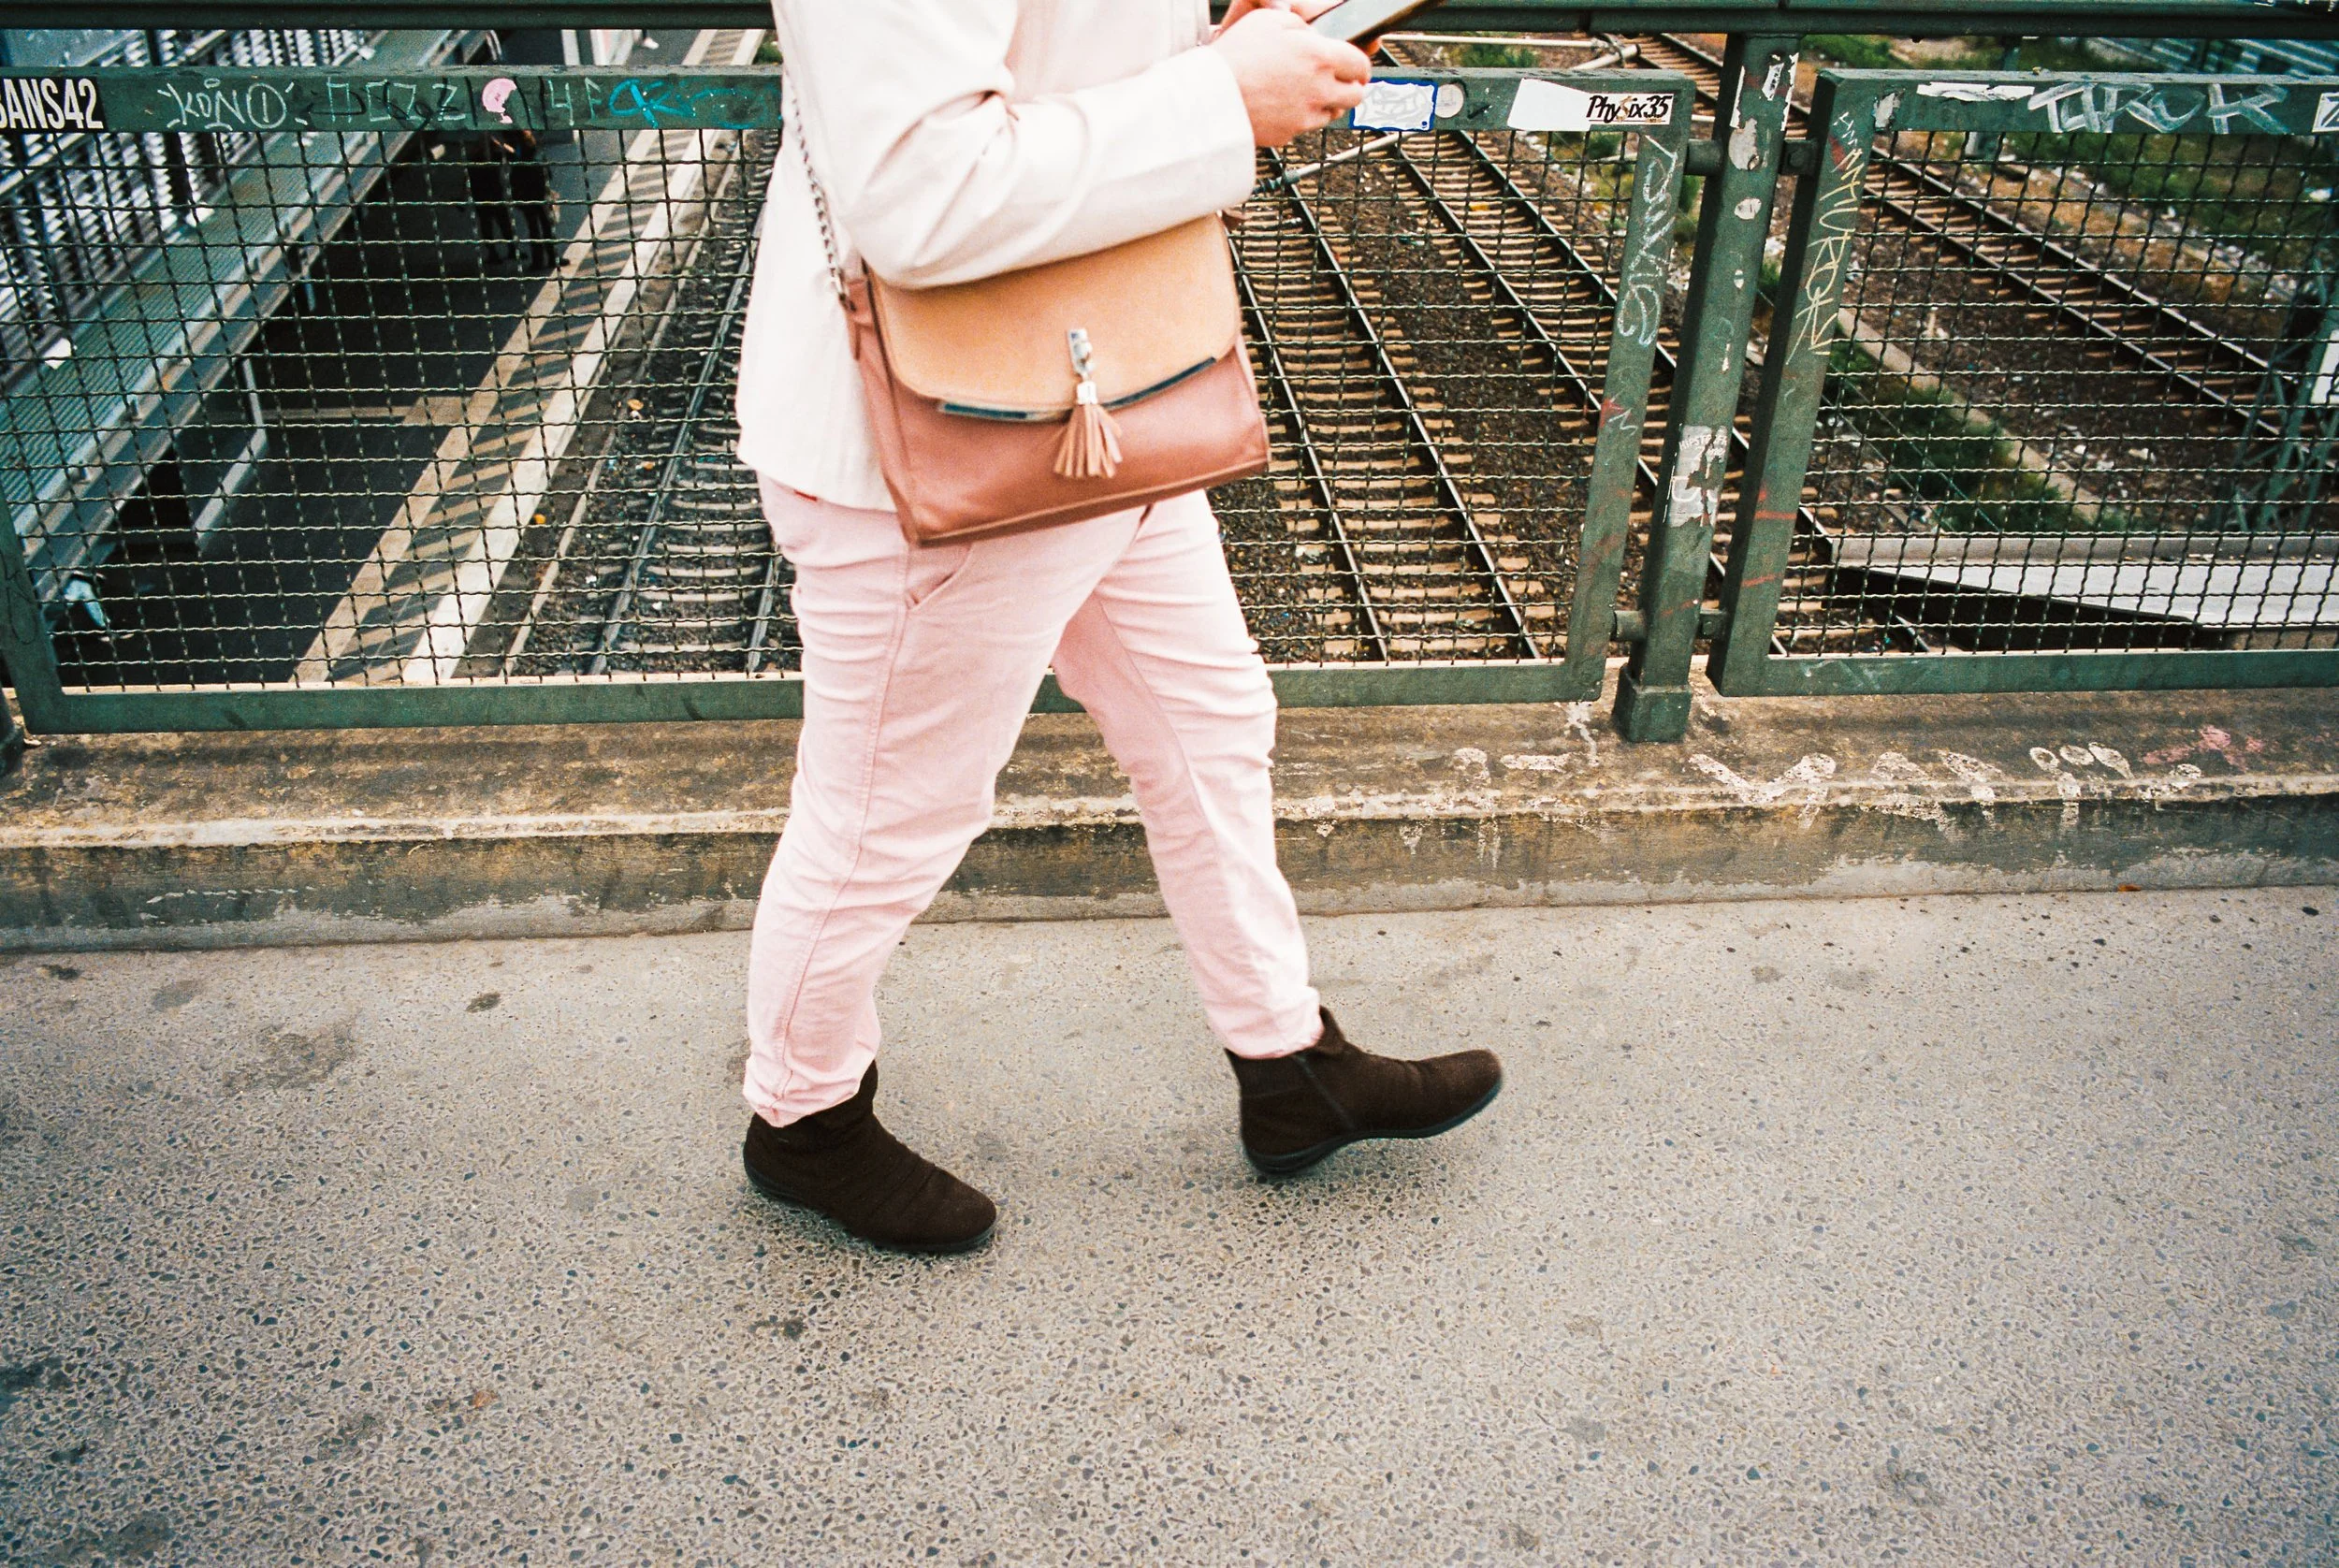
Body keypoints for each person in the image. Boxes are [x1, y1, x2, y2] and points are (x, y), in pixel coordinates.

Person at [733, 0, 1503, 1255]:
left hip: (1093, 397)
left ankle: (1287, 1061)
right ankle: (802, 1120)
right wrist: (1218, 98)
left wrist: (1222, 37)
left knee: (1207, 719)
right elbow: (916, 190)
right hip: (947, 445)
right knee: (884, 817)